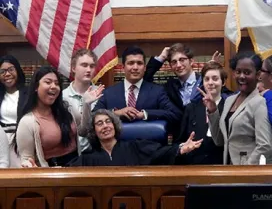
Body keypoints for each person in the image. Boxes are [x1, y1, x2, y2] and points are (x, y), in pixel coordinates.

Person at [15, 66, 103, 167]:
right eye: (48, 82)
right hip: (50, 172)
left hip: (77, 165)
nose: (53, 86)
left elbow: (84, 131)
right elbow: (26, 158)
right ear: (36, 87)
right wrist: (29, 165)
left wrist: (86, 105)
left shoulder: (68, 108)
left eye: (57, 83)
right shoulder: (27, 122)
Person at [202, 52, 272, 165]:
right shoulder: (229, 101)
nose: (241, 76)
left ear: (258, 74)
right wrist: (212, 111)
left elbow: (265, 146)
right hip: (231, 170)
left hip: (251, 174)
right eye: (238, 72)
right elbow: (219, 141)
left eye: (247, 72)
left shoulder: (259, 102)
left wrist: (244, 171)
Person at [69, 109, 203, 166]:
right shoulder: (88, 157)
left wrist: (180, 148)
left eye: (108, 121)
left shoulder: (134, 147)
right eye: (99, 123)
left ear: (115, 126)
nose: (105, 126)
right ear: (94, 131)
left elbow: (160, 153)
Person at [94, 46, 181, 127]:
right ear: (123, 67)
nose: (135, 67)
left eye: (139, 63)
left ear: (144, 68)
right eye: (131, 63)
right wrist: (116, 113)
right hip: (117, 142)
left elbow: (176, 114)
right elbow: (93, 115)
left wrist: (145, 114)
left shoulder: (157, 91)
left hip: (149, 142)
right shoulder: (109, 93)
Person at [177, 61, 229, 164]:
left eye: (215, 79)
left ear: (223, 82)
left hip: (222, 167)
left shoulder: (230, 108)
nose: (210, 83)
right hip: (195, 167)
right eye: (206, 79)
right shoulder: (191, 108)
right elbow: (180, 140)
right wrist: (183, 146)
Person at [63, 49, 100, 152]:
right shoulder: (62, 97)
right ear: (74, 68)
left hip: (97, 153)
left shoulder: (102, 95)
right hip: (69, 155)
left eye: (92, 66)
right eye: (84, 65)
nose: (88, 70)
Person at [0, 55, 27, 167]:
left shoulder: (29, 93)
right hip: (1, 142)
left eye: (11, 69)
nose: (7, 74)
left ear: (18, 70)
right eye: (2, 71)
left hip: (22, 141)